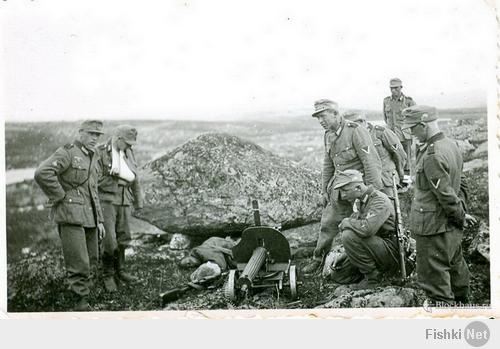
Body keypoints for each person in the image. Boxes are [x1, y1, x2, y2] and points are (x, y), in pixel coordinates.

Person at [401, 105, 476, 305]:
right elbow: (461, 183)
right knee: (455, 265)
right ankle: (463, 308)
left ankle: (445, 317)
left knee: (434, 280)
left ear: (423, 125)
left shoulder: (432, 154)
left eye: (412, 128)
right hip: (449, 224)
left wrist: (459, 215)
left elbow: (445, 194)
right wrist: (461, 213)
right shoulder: (450, 144)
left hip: (433, 227)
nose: (411, 133)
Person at [302, 99, 382, 274]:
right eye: (318, 118)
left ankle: (366, 266)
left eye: (323, 116)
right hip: (339, 191)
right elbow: (328, 164)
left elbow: (371, 163)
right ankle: (318, 258)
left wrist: (372, 192)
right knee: (328, 224)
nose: (320, 121)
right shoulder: (328, 134)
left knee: (363, 228)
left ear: (336, 114)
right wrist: (324, 190)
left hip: (358, 191)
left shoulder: (356, 131)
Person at [34, 120, 106, 311]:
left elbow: (93, 190)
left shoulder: (95, 155)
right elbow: (42, 172)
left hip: (89, 215)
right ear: (80, 133)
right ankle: (79, 301)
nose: (94, 138)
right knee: (78, 260)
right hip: (70, 214)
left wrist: (99, 220)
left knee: (91, 258)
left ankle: (86, 295)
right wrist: (60, 196)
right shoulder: (68, 152)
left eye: (98, 135)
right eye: (91, 133)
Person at [333, 169, 400, 289]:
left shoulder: (379, 200)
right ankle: (371, 272)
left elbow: (367, 229)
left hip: (390, 249)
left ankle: (373, 278)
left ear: (358, 188)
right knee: (339, 275)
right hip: (375, 247)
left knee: (348, 235)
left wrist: (347, 222)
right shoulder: (361, 201)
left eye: (345, 191)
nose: (342, 196)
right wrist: (348, 253)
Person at [96, 125, 143, 292]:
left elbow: (135, 178)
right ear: (118, 139)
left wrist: (138, 203)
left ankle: (120, 271)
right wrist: (113, 176)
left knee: (124, 237)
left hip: (123, 199)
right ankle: (107, 274)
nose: (130, 146)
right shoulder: (100, 152)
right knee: (109, 241)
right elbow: (93, 180)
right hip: (106, 200)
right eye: (128, 143)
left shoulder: (128, 152)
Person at [343, 111, 407, 196]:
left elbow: (400, 155)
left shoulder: (380, 133)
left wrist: (399, 174)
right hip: (365, 182)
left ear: (363, 122)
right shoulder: (350, 139)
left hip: (385, 180)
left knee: (388, 206)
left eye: (353, 126)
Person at [383, 78, 416, 175]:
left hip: (404, 136)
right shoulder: (386, 101)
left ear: (401, 87)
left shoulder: (408, 101)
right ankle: (397, 183)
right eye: (391, 88)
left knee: (406, 160)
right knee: (393, 159)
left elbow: (415, 117)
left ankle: (406, 182)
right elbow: (385, 118)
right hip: (391, 137)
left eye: (396, 88)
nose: (393, 90)